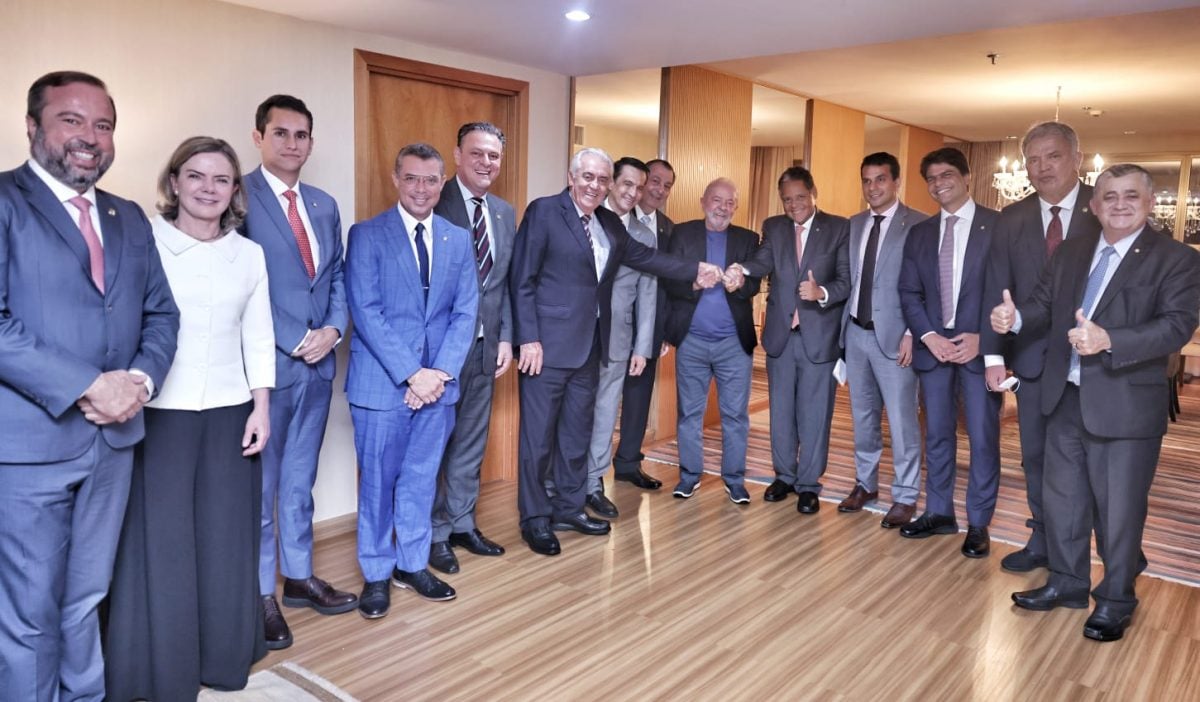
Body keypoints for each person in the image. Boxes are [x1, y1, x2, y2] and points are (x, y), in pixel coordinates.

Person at [0, 71, 179, 701]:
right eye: (71, 120)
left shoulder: (128, 217)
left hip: (113, 445)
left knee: (85, 600)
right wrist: (86, 386)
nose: (90, 137)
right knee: (28, 612)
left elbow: (162, 314)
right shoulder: (5, 201)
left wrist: (139, 381)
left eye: (103, 125)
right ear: (32, 126)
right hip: (29, 450)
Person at [998, 164, 1200, 642]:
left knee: (1118, 511)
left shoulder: (1176, 259)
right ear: (1094, 205)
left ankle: (1115, 598)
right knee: (1063, 500)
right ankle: (1067, 582)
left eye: (1131, 195)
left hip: (1125, 405)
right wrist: (1015, 318)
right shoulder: (1072, 250)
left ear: (1149, 203)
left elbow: (1177, 326)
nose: (1120, 205)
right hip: (1064, 396)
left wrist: (1110, 339)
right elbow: (1043, 304)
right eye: (1110, 196)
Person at [105, 136, 274, 699]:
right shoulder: (141, 242)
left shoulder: (249, 255)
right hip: (158, 414)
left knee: (224, 540)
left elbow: (259, 336)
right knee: (162, 543)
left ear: (234, 191)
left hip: (231, 414)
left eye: (221, 179)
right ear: (174, 181)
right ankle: (159, 669)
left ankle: (222, 656)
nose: (208, 188)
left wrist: (261, 407)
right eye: (196, 176)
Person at [509, 148, 719, 556]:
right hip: (546, 349)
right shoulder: (545, 212)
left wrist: (696, 270)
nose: (595, 185)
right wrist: (528, 338)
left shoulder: (606, 223)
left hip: (591, 346)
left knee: (576, 434)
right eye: (588, 177)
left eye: (602, 179)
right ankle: (534, 519)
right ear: (571, 177)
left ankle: (569, 508)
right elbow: (522, 279)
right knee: (538, 440)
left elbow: (647, 258)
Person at [346, 143, 478, 619]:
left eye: (430, 180)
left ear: (442, 183)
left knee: (421, 481)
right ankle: (376, 573)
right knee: (378, 484)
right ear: (396, 179)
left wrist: (438, 374)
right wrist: (413, 374)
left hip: (438, 386)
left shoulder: (456, 239)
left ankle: (412, 563)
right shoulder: (367, 235)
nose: (421, 189)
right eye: (411, 178)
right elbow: (366, 311)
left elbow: (466, 312)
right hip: (383, 384)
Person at [242, 95, 355, 650]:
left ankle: (300, 578)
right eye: (281, 133)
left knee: (298, 481)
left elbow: (336, 275)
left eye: (301, 135)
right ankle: (261, 593)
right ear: (258, 137)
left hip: (318, 366)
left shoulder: (323, 204)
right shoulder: (238, 196)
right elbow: (240, 280)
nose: (292, 143)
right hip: (267, 367)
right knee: (261, 488)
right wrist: (294, 338)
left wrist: (333, 329)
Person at [981, 121, 1101, 573]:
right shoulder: (1011, 218)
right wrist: (994, 355)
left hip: (1093, 362)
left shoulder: (1103, 207)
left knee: (1091, 463)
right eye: (1033, 159)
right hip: (1032, 358)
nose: (1042, 167)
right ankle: (1043, 540)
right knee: (1035, 455)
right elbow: (997, 287)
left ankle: (1088, 553)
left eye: (1053, 156)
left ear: (1077, 158)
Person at [726, 166, 850, 514]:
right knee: (780, 412)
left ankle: (809, 484)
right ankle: (784, 476)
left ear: (813, 193)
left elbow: (846, 280)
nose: (793, 205)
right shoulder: (774, 226)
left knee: (814, 415)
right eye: (787, 200)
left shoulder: (839, 227)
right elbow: (762, 260)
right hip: (781, 336)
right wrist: (741, 269)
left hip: (819, 337)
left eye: (799, 197)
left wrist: (821, 292)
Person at [897, 147, 1001, 558]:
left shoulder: (998, 226)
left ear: (966, 177)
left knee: (982, 437)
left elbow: (1009, 290)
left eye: (946, 175)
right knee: (937, 435)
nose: (938, 184)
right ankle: (939, 512)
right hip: (935, 351)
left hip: (978, 350)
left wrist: (984, 339)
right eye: (931, 178)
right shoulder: (920, 233)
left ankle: (979, 523)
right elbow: (909, 291)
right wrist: (927, 336)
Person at [428, 122, 517, 575]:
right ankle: (433, 532)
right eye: (477, 153)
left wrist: (506, 337)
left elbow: (505, 284)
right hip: (440, 351)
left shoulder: (503, 212)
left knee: (470, 441)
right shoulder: (432, 200)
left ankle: (462, 522)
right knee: (434, 445)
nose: (486, 162)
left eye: (494, 156)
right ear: (457, 155)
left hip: (486, 348)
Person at [839, 152, 925, 528]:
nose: (872, 187)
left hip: (896, 337)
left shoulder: (918, 224)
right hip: (855, 332)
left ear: (896, 182)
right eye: (867, 180)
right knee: (863, 416)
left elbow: (925, 285)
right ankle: (866, 484)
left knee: (903, 421)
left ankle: (905, 495)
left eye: (880, 179)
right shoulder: (854, 224)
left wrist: (912, 333)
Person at [664, 178, 761, 503]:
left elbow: (755, 285)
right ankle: (689, 476)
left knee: (735, 415)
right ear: (703, 201)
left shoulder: (748, 239)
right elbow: (669, 280)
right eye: (717, 200)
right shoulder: (682, 234)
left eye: (730, 202)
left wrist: (740, 284)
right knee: (689, 413)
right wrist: (694, 284)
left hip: (733, 343)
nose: (723, 207)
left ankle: (734, 479)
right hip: (692, 340)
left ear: (736, 206)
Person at [583, 156, 657, 519]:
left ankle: (593, 482)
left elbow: (648, 293)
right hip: (577, 334)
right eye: (627, 184)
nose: (633, 193)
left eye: (639, 187)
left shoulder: (644, 235)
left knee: (605, 409)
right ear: (611, 183)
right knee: (572, 409)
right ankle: (561, 480)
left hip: (618, 338)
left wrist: (643, 347)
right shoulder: (587, 219)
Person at [612, 158, 677, 490]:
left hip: (648, 327)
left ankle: (627, 463)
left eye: (667, 185)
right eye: (654, 181)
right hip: (611, 326)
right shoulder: (615, 215)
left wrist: (663, 331)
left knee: (637, 400)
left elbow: (666, 284)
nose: (659, 190)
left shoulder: (669, 228)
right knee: (601, 400)